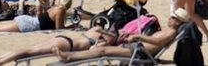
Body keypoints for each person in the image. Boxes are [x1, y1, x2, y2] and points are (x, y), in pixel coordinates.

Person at [54, 9, 190, 64]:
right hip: (137, 47)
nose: (170, 18)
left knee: (103, 51)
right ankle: (70, 56)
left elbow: (156, 41)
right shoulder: (168, 29)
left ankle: (69, 57)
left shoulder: (171, 32)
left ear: (178, 21)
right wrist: (133, 35)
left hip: (140, 52)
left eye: (173, 17)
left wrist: (138, 37)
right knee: (102, 48)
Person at [0, 25, 114, 65]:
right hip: (66, 45)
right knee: (28, 52)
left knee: (29, 50)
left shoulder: (96, 29)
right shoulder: (102, 40)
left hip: (62, 39)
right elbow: (93, 50)